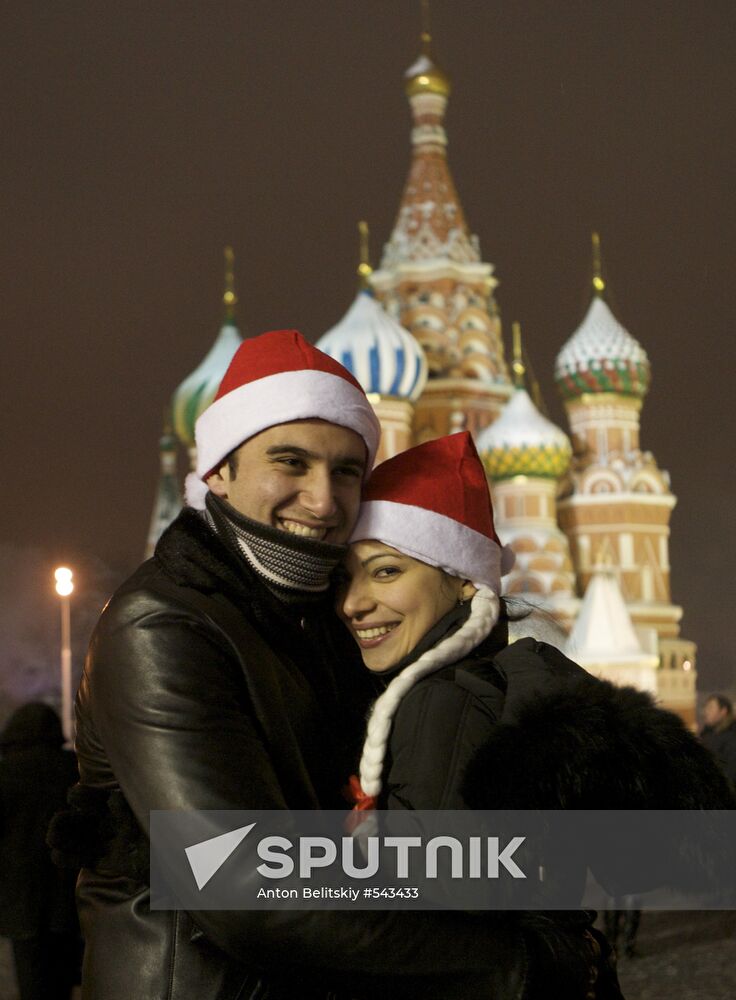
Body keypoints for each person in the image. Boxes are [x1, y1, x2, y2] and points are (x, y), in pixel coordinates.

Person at [53, 332, 527, 1000]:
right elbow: (243, 884)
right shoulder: (164, 626)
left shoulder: (315, 611)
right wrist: (514, 966)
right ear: (220, 469)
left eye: (346, 471)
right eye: (290, 463)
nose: (324, 501)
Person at [338, 432, 736, 998]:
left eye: (385, 571)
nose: (353, 601)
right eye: (344, 577)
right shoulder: (510, 681)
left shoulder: (441, 700)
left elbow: (431, 905)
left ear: (462, 580)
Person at [0, 703, 81, 1000]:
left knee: (32, 981)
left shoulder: (5, 772)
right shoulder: (73, 768)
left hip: (22, 901)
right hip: (68, 895)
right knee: (63, 980)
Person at [700, 694, 736, 806]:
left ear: (723, 711)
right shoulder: (707, 734)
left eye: (710, 708)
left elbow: (734, 775)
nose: (705, 712)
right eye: (705, 708)